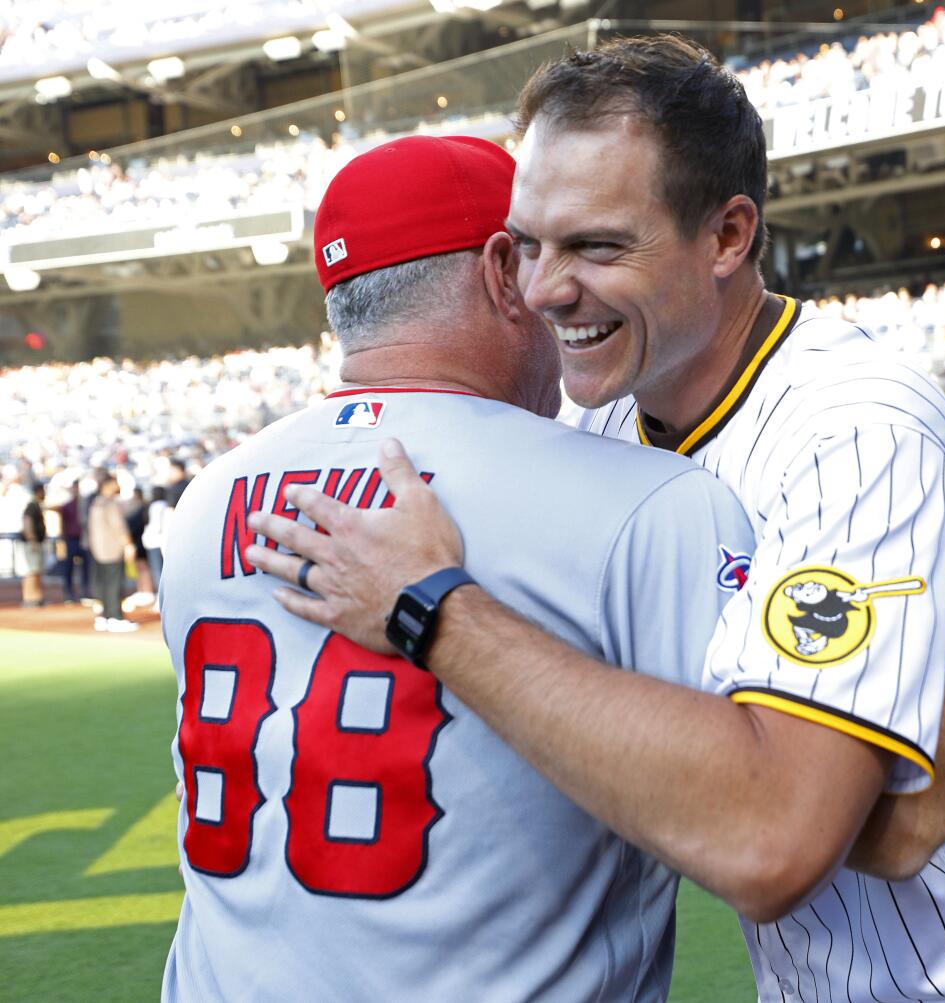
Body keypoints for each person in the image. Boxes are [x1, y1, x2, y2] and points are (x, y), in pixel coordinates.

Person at [249, 38, 945, 1002]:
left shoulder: (856, 431)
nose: (544, 289)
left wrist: (437, 610)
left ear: (726, 236)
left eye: (596, 245)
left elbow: (813, 834)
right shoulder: (599, 412)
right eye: (529, 243)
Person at [160, 135, 757, 1001]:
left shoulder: (206, 499)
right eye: (548, 251)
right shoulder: (646, 499)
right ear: (499, 271)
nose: (562, 286)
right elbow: (760, 825)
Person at [87, 473, 137, 633]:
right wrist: (128, 545)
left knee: (102, 584)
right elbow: (118, 527)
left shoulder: (96, 503)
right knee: (114, 584)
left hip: (98, 549)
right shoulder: (109, 504)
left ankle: (104, 616)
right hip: (112, 549)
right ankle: (115, 616)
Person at [54, 480, 89, 602]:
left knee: (87, 567)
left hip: (83, 539)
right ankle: (69, 592)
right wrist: (63, 539)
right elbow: (63, 524)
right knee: (68, 567)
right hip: (71, 539)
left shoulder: (86, 505)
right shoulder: (66, 506)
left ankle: (86, 591)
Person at [17, 482, 46, 608]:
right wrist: (32, 539)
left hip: (34, 542)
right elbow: (27, 522)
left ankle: (35, 597)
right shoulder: (32, 506)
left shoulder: (35, 505)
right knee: (31, 571)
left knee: (35, 571)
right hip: (32, 543)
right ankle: (30, 598)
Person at [142, 485, 169, 591]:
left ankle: (160, 594)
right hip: (162, 541)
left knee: (157, 570)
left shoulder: (153, 506)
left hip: (152, 541)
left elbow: (154, 526)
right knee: (163, 570)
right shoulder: (165, 505)